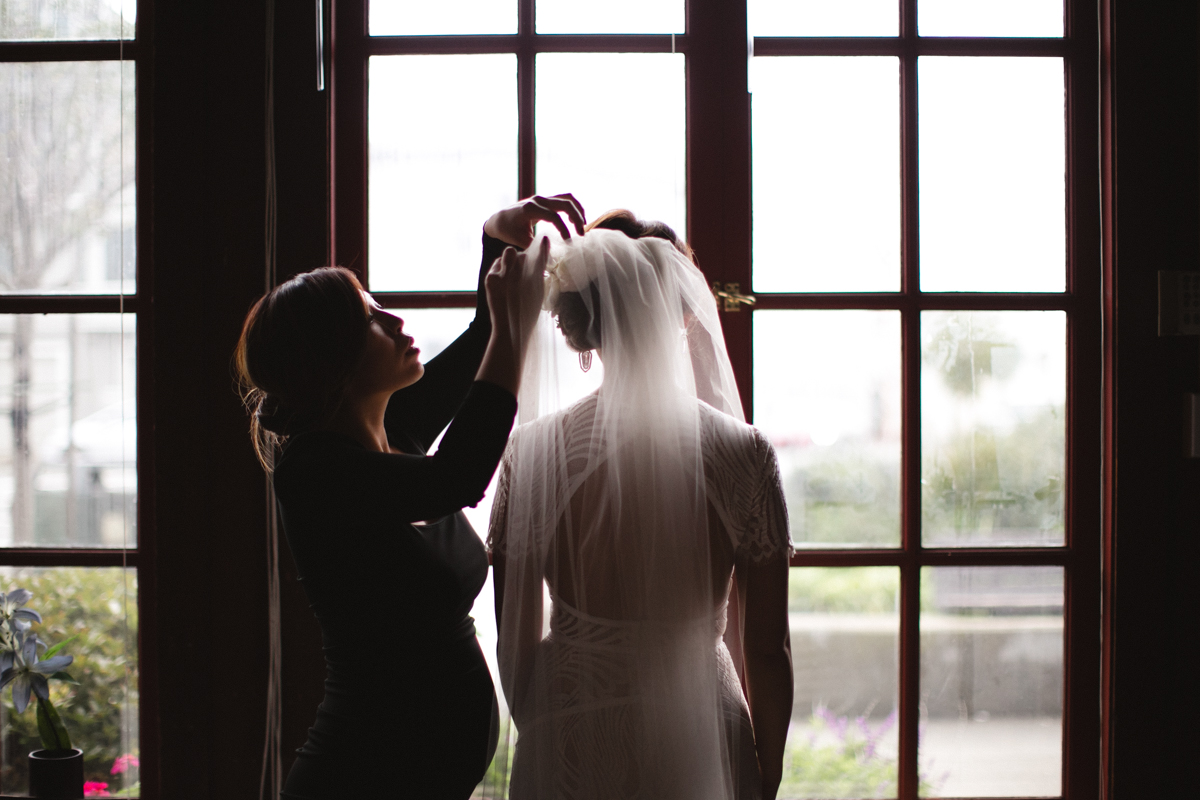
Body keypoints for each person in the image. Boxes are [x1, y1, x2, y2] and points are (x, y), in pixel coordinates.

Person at [234, 195, 585, 800]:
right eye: (370, 317)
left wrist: (498, 236)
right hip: (358, 776)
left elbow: (481, 340)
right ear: (330, 359)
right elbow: (459, 477)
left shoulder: (392, 433)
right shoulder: (314, 472)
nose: (395, 321)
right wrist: (516, 328)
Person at [489, 212, 794, 800]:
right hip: (701, 724)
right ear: (683, 312)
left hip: (569, 721)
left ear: (583, 323)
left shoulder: (532, 452)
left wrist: (547, 726)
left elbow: (513, 639)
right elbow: (766, 647)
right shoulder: (742, 454)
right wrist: (767, 765)